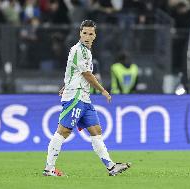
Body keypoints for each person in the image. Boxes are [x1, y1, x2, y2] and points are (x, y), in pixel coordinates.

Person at [43, 20, 131, 177]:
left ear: (95, 35)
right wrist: (103, 90)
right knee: (63, 131)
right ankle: (49, 168)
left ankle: (111, 167)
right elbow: (86, 74)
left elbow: (73, 70)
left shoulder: (87, 52)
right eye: (85, 33)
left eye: (90, 34)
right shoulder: (79, 50)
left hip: (84, 97)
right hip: (76, 96)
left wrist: (66, 84)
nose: (87, 36)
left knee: (96, 130)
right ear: (80, 34)